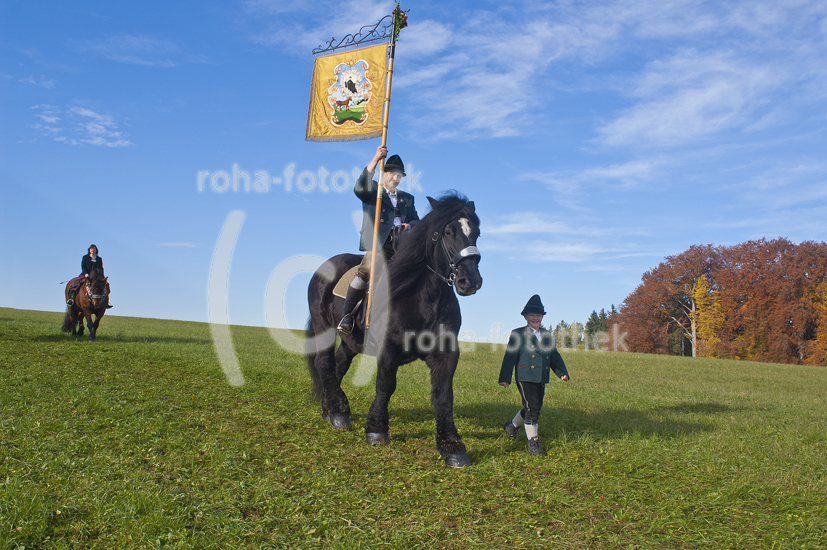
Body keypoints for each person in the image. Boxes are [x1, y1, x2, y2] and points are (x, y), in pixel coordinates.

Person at [337, 144, 419, 334]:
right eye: (393, 174)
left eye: (399, 176)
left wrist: (410, 225)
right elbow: (359, 187)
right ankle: (347, 316)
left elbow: (416, 220)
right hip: (379, 243)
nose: (396, 178)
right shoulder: (373, 190)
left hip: (402, 244)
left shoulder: (407, 198)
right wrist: (375, 158)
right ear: (383, 173)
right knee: (365, 270)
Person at [499, 294, 569, 455]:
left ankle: (511, 426)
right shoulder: (518, 333)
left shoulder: (547, 335)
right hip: (525, 375)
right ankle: (533, 443)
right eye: (532, 315)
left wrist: (562, 372)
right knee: (533, 408)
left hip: (541, 376)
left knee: (533, 407)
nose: (535, 318)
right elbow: (510, 357)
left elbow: (554, 356)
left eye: (538, 315)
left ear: (542, 317)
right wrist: (505, 378)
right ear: (525, 316)